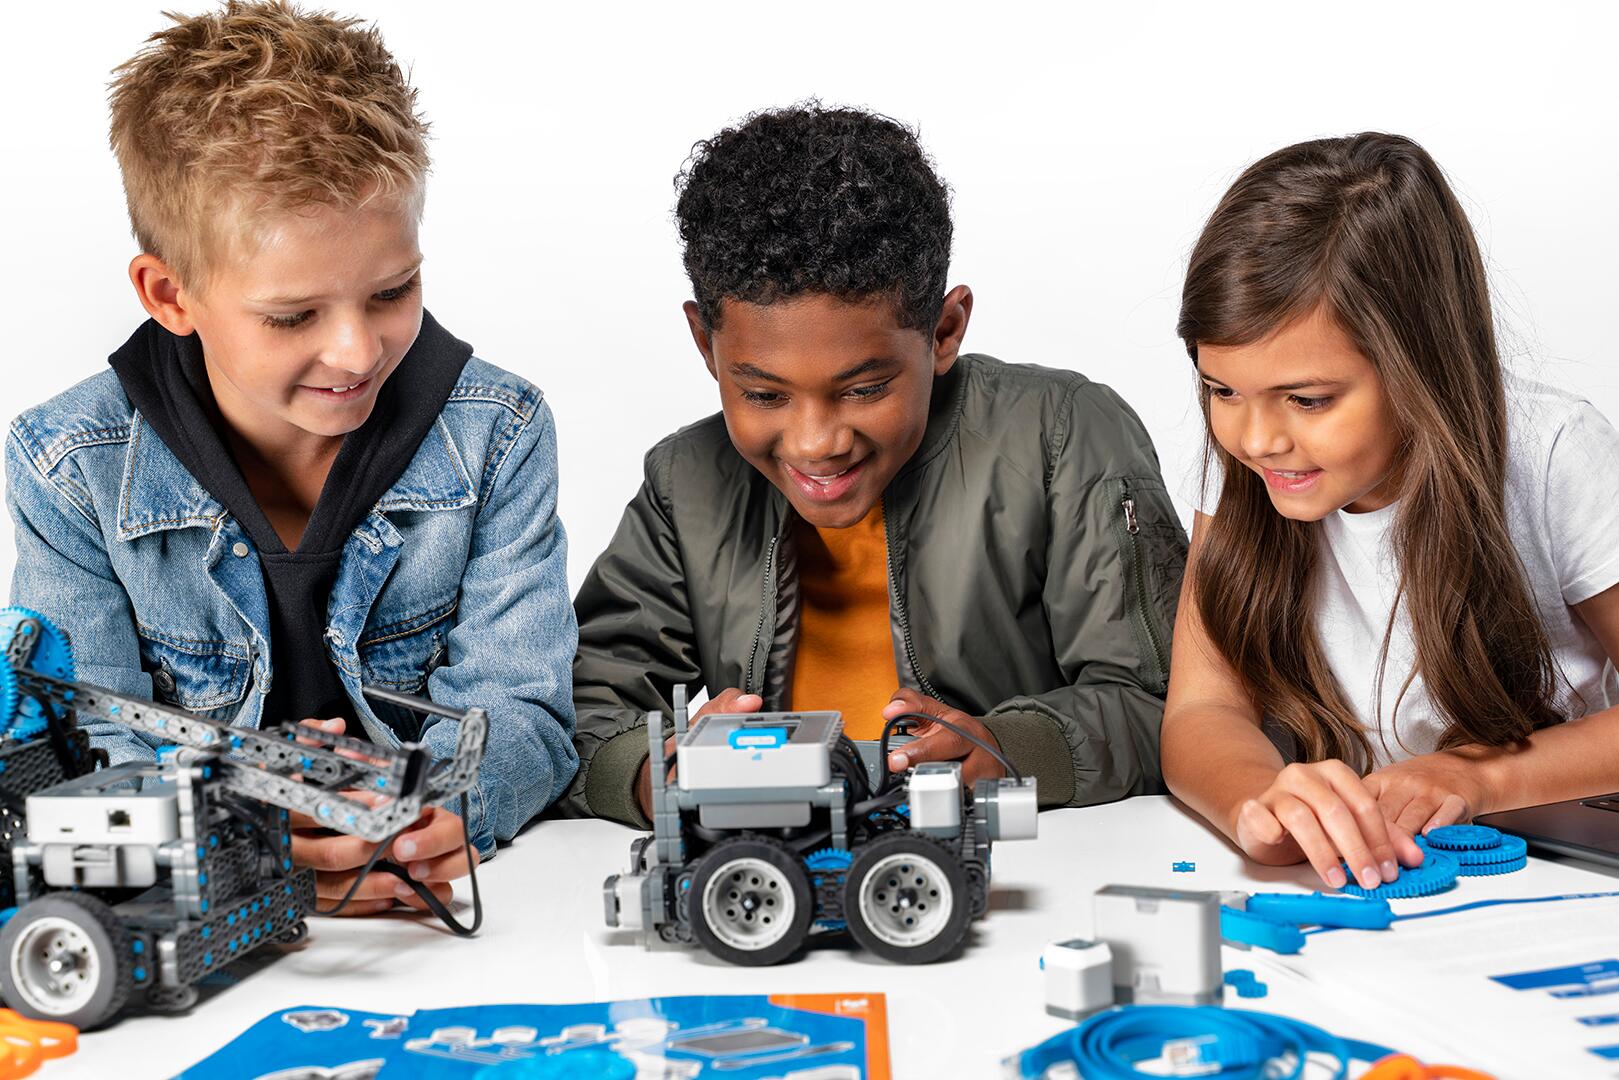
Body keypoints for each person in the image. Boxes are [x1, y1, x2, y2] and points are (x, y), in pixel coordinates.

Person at [4, 1, 578, 915]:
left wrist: (440, 817)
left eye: (393, 291)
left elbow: (526, 713)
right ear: (169, 293)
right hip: (211, 907)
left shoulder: (498, 431)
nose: (356, 351)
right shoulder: (68, 463)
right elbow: (82, 747)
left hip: (423, 914)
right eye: (292, 316)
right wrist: (251, 839)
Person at [566, 103, 1185, 827]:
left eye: (864, 389)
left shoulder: (1061, 434)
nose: (814, 442)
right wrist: (655, 773)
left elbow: (1170, 704)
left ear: (944, 330)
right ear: (706, 346)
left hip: (1012, 863)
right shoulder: (685, 483)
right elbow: (578, 711)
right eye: (763, 393)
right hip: (779, 860)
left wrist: (1009, 748)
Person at [1161, 133, 1619, 891]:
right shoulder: (1247, 470)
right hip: (1386, 870)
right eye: (1221, 391)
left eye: (1308, 400)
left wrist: (1475, 778)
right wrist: (1260, 802)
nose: (1255, 438)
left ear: (1419, 362)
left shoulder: (1553, 453)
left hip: (1559, 863)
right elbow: (1201, 709)